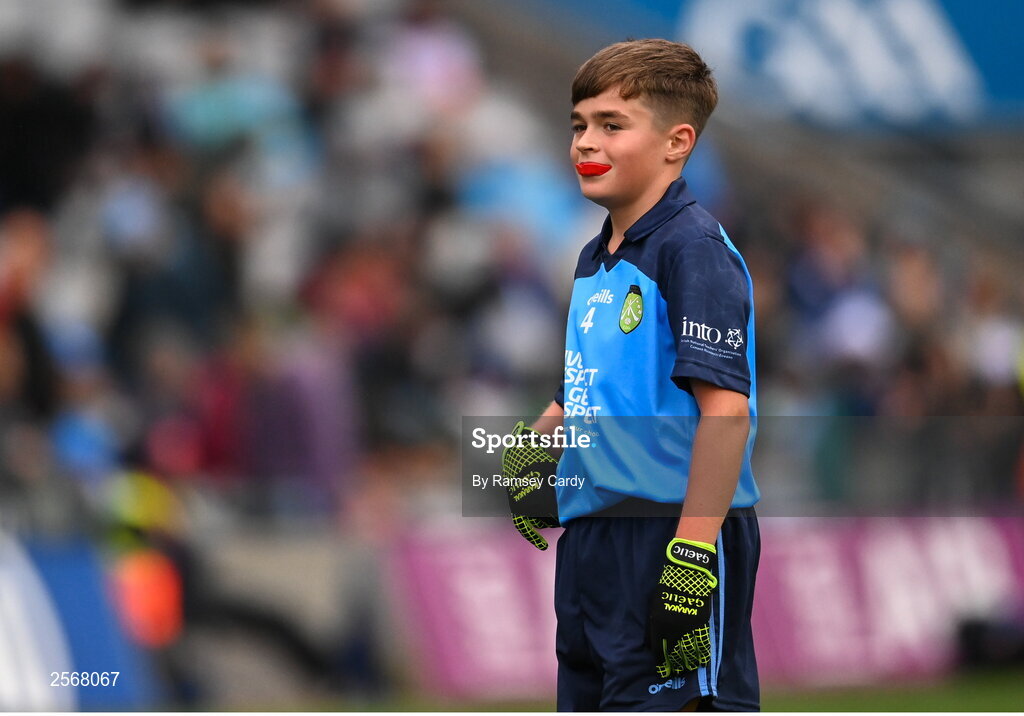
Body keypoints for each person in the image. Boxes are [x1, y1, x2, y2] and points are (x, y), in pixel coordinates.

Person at [504, 39, 760, 711]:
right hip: (592, 542)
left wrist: (693, 553)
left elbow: (727, 412)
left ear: (677, 142)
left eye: (612, 125)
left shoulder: (693, 250)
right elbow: (582, 388)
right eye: (579, 125)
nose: (586, 142)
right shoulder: (594, 256)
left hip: (668, 534)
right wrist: (533, 453)